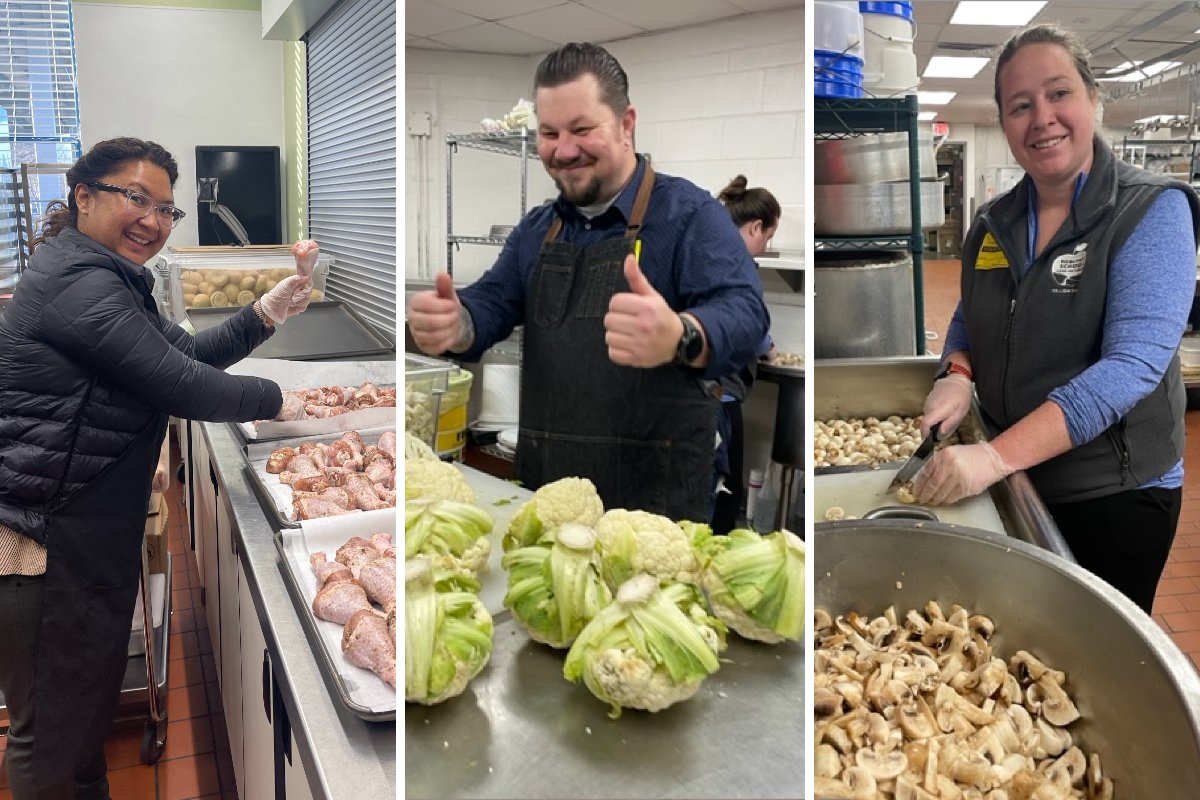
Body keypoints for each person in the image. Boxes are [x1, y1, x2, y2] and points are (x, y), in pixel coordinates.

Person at [0, 137, 312, 799]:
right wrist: (286, 401)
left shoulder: (106, 278)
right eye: (135, 198)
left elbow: (191, 357)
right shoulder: (79, 284)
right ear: (83, 196)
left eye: (167, 211)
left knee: (79, 722)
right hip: (42, 548)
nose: (153, 220)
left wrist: (267, 312)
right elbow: (182, 387)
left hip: (81, 539)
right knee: (51, 739)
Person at [407, 43, 770, 522]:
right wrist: (459, 323)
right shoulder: (538, 229)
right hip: (548, 489)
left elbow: (746, 312)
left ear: (626, 124)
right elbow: (494, 299)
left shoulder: (690, 216)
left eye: (581, 129)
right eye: (549, 133)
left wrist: (681, 333)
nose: (563, 149)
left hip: (656, 500)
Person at [912, 24, 1200, 614]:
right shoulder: (994, 220)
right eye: (1020, 105)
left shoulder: (1150, 210)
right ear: (1003, 122)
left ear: (1094, 100)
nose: (1041, 117)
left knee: (1093, 662)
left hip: (1110, 493)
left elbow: (1131, 368)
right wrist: (959, 372)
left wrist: (992, 457)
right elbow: (974, 309)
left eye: (1058, 93)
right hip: (1018, 480)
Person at [712, 175, 780, 534]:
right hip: (715, 394)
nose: (767, 247)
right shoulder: (736, 263)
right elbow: (742, 321)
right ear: (755, 227)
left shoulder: (708, 249)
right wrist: (766, 346)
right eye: (768, 237)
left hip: (704, 390)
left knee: (719, 482)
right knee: (723, 487)